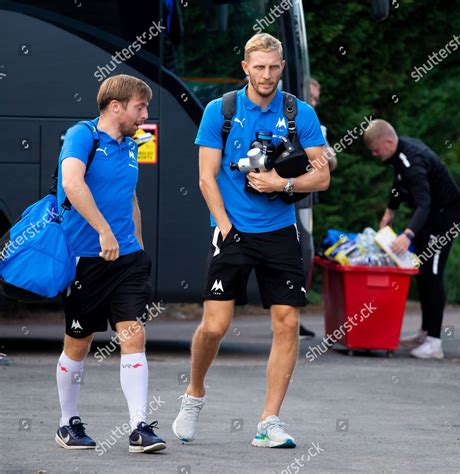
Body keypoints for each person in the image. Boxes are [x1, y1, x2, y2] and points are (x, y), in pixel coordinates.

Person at [172, 33, 329, 448]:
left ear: (281, 67)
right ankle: (194, 393)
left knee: (288, 322)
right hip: (233, 230)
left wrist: (282, 181)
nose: (267, 75)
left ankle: (269, 421)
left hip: (280, 230)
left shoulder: (299, 112)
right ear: (246, 68)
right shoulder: (219, 111)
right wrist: (223, 225)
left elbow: (322, 175)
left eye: (274, 67)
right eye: (259, 67)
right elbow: (206, 177)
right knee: (215, 326)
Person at [54, 74, 166, 453]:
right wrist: (104, 231)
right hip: (87, 258)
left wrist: (137, 245)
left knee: (133, 334)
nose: (145, 115)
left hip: (127, 259)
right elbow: (72, 183)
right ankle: (67, 423)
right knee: (79, 342)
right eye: (140, 107)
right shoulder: (82, 135)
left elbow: (130, 197)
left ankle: (139, 428)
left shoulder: (133, 144)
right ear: (115, 106)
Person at [363, 119, 460, 359]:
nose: (375, 155)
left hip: (444, 217)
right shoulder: (399, 155)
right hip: (430, 217)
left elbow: (424, 202)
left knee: (433, 273)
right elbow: (398, 184)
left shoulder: (413, 160)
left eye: (376, 150)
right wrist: (390, 211)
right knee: (422, 272)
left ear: (388, 142)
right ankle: (425, 332)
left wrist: (408, 234)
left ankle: (434, 342)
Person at [296, 78, 338, 340]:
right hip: (285, 197)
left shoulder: (314, 124)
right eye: (310, 96)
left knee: (304, 256)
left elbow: (330, 164)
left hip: (303, 197)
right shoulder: (290, 116)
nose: (313, 102)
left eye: (316, 99)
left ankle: (293, 318)